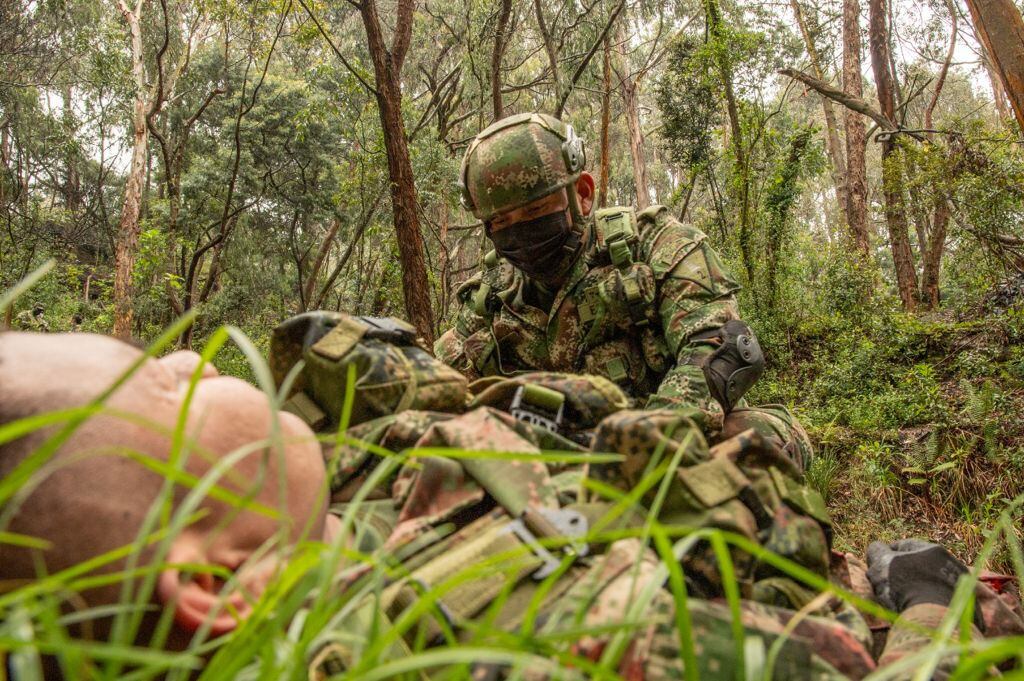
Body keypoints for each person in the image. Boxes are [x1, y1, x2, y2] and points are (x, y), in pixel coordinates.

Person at [4, 329, 1022, 680]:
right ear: (208, 584)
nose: (190, 354)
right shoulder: (532, 642)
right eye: (163, 381)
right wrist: (931, 611)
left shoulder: (314, 545)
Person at [435, 112, 811, 470]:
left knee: (762, 439)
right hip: (555, 467)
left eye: (535, 211)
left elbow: (721, 347)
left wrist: (639, 447)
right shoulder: (492, 296)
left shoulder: (655, 245)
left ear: (581, 194)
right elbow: (439, 386)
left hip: (670, 443)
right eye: (501, 221)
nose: (519, 233)